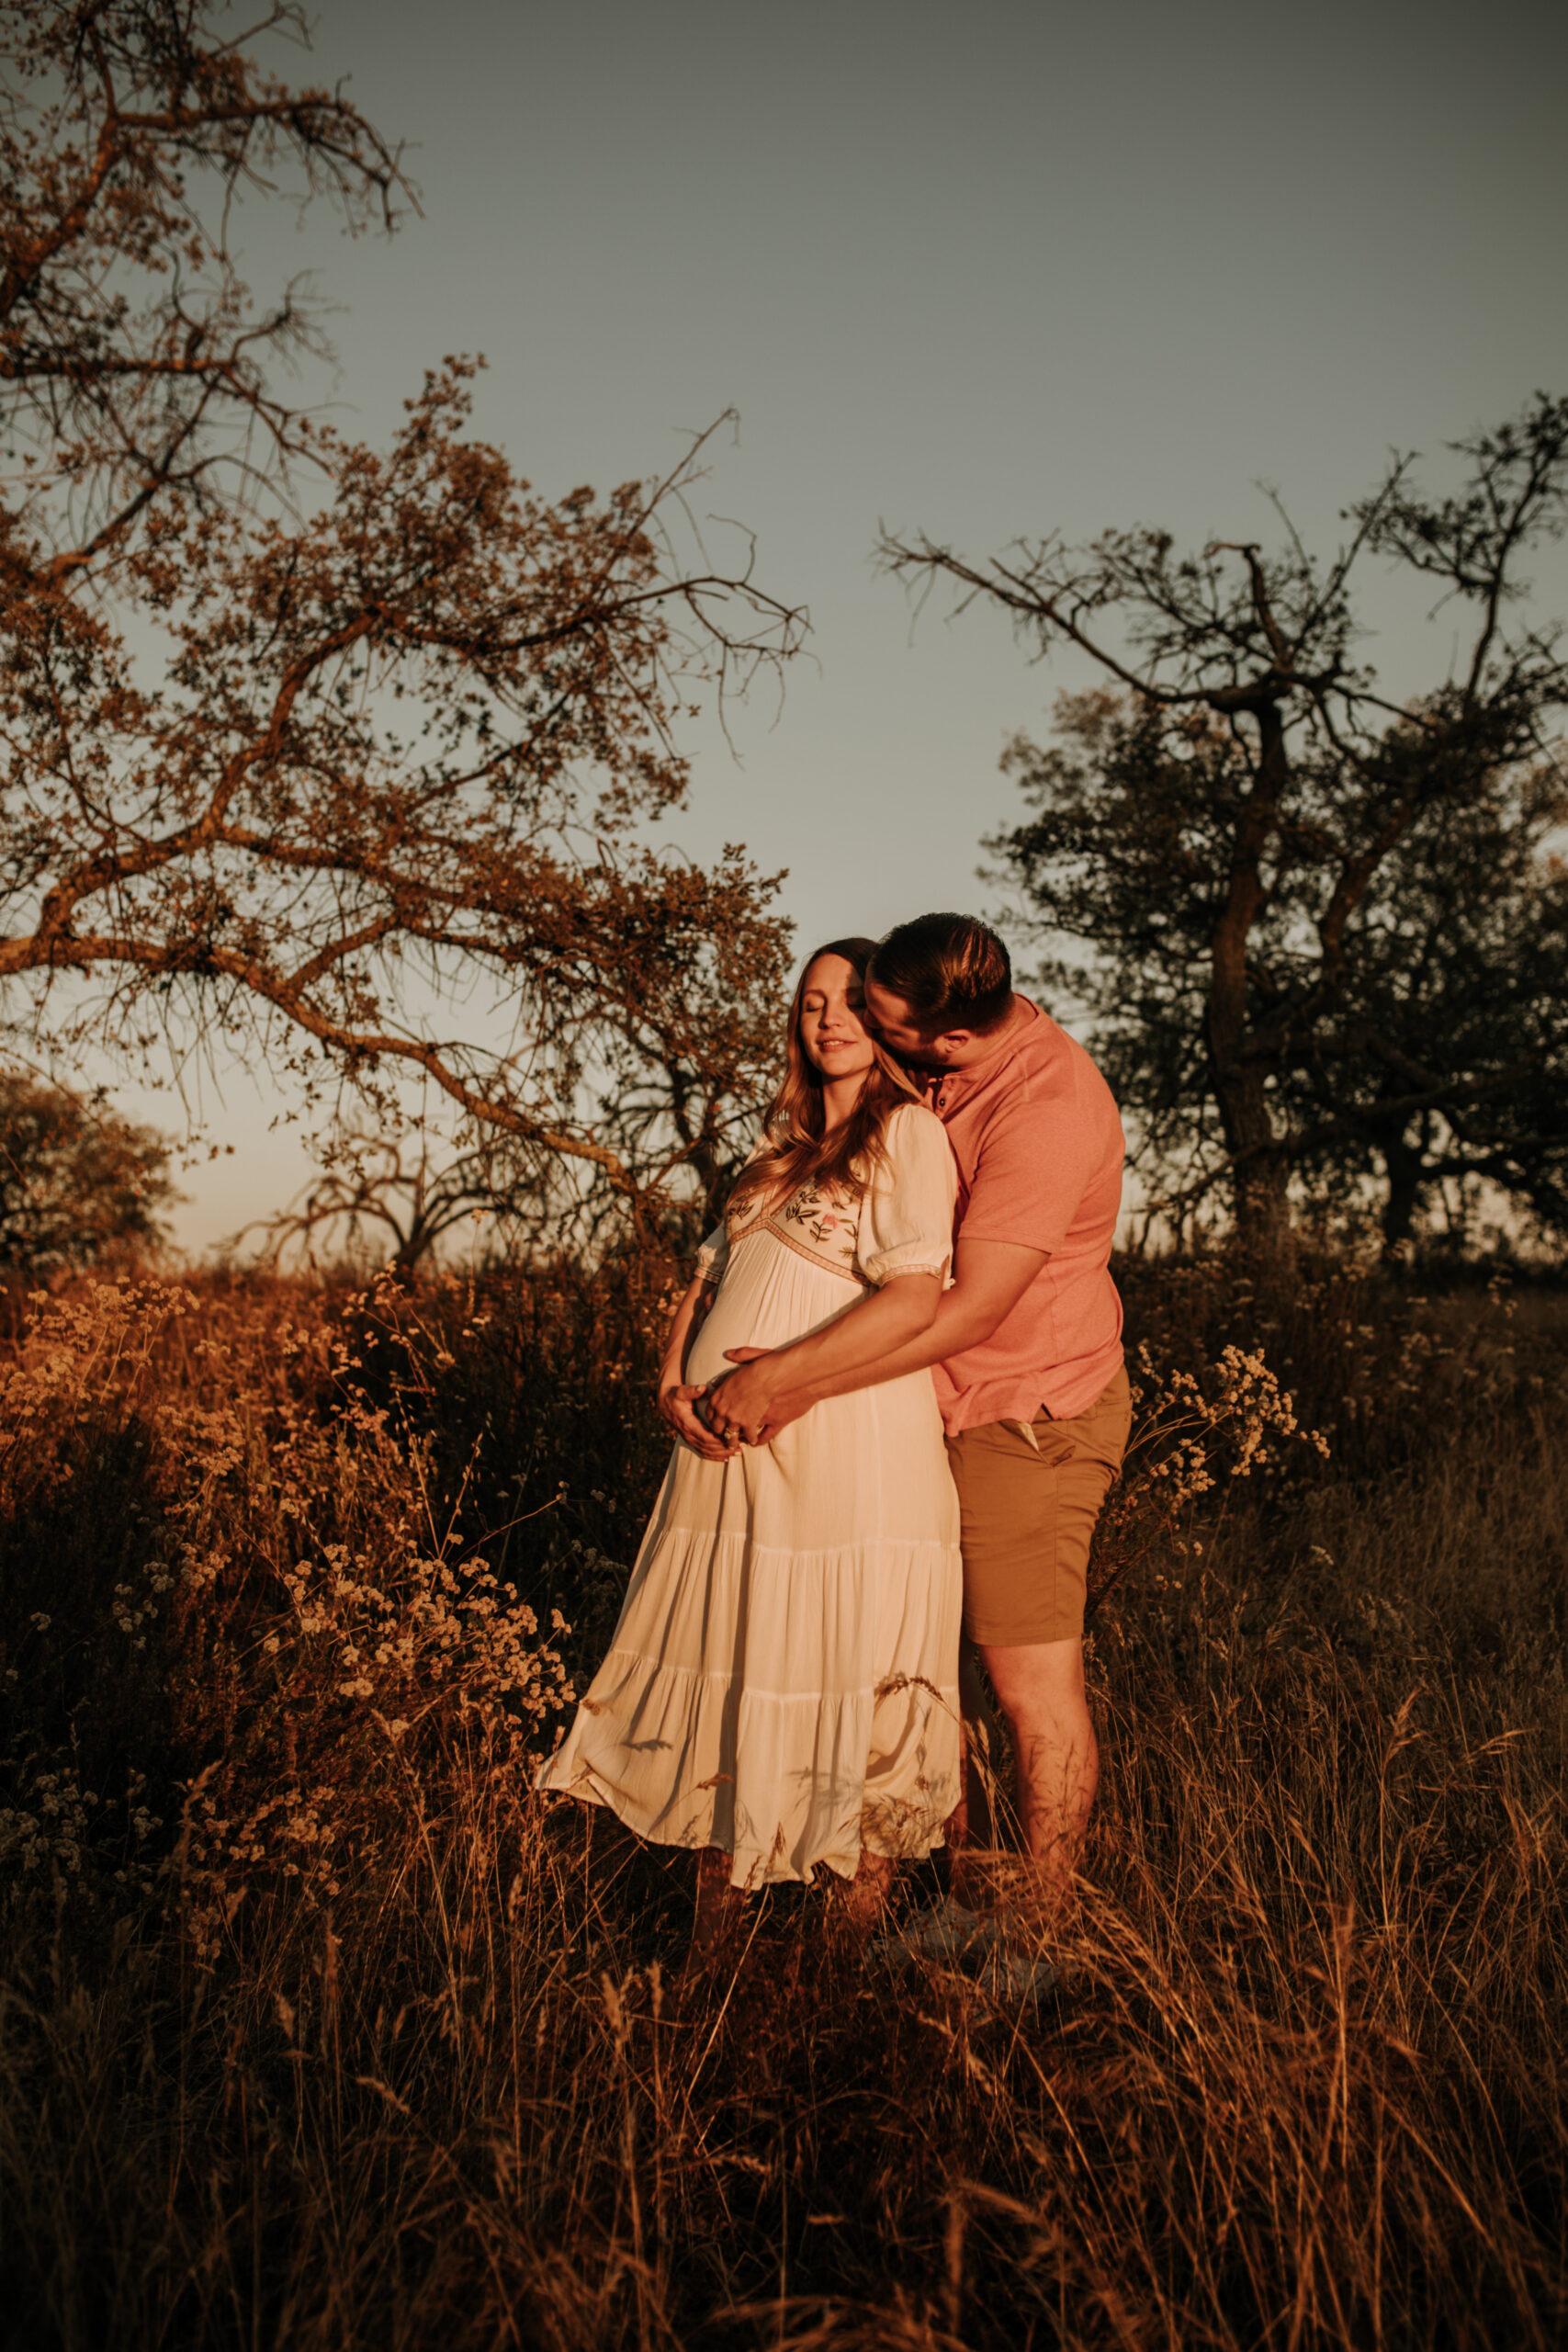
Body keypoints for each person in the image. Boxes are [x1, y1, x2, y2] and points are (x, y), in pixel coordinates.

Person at [696, 913, 1128, 1951]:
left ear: (952, 1039)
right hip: (922, 1410)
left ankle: (1040, 1943)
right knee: (935, 1676)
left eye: (881, 1020)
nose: (863, 1030)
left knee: (1029, 1689)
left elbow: (973, 1309)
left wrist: (792, 1381)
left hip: (1026, 1412)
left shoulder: (1049, 1104)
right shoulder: (939, 1057)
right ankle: (968, 1906)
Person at [536, 939, 964, 1959]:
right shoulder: (766, 1160)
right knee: (735, 1666)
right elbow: (702, 1285)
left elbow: (915, 1295)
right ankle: (714, 1963)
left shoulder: (906, 1134)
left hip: (842, 1445)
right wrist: (672, 1381)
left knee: (850, 1668)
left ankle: (838, 1965)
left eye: (851, 1002)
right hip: (723, 1452)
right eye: (812, 1002)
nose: (828, 1020)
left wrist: (781, 1380)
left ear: (889, 1020)